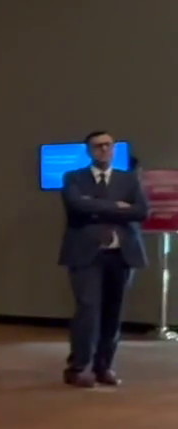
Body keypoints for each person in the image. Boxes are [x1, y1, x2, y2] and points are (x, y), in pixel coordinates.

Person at [59, 129, 149, 387]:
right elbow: (77, 206)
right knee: (88, 309)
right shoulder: (73, 177)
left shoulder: (129, 179)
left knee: (113, 312)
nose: (104, 149)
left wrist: (96, 206)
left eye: (108, 145)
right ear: (89, 151)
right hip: (86, 254)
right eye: (98, 146)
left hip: (122, 254)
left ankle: (104, 366)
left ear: (114, 149)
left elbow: (142, 211)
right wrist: (118, 206)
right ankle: (79, 367)